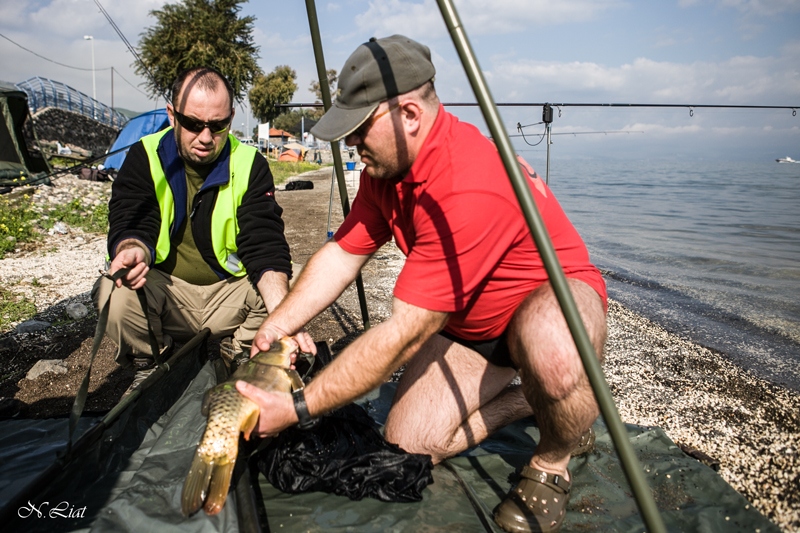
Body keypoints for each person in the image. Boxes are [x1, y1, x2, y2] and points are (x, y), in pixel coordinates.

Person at [236, 36, 607, 533]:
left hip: (552, 301)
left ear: (409, 114)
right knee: (409, 444)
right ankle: (538, 402)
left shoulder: (469, 181)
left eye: (359, 129)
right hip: (472, 324)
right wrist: (278, 322)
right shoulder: (384, 171)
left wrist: (297, 407)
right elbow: (343, 254)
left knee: (554, 354)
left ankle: (554, 458)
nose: (350, 144)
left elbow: (407, 331)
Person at [92, 66, 296, 396]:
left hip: (228, 297)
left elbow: (264, 242)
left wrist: (286, 319)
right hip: (167, 296)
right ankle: (151, 362)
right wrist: (132, 248)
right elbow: (131, 218)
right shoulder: (144, 155)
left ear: (230, 118)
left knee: (292, 282)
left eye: (217, 126)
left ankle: (244, 352)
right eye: (193, 124)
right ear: (173, 115)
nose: (205, 137)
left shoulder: (249, 163)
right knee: (114, 290)